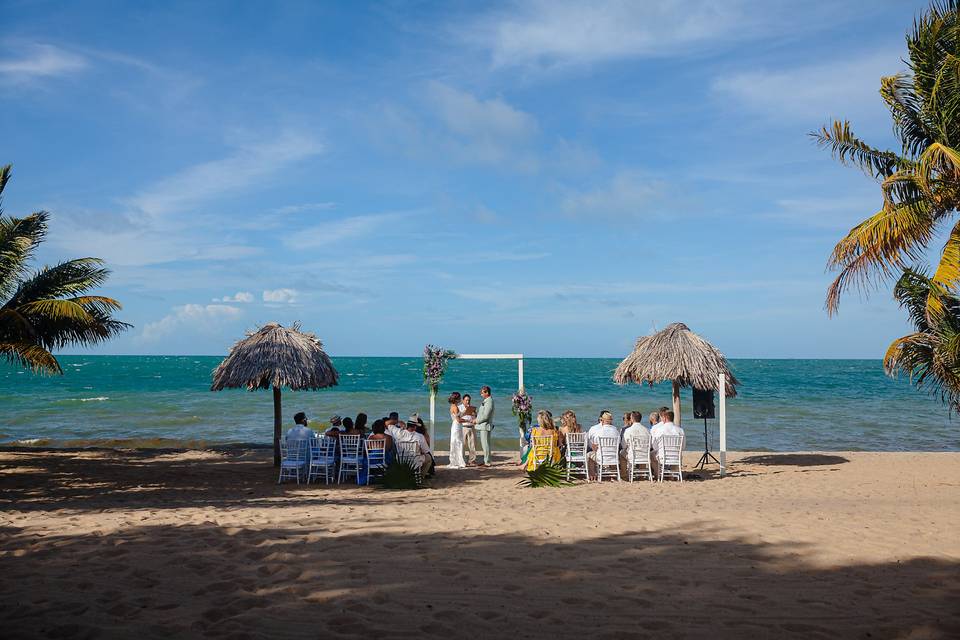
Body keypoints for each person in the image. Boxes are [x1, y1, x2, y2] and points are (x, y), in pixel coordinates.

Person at [650, 409, 684, 476]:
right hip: (676, 457)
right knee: (677, 454)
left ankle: (658, 474)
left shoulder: (659, 430)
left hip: (663, 457)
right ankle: (673, 474)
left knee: (651, 455)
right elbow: (683, 446)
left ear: (665, 418)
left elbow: (654, 446)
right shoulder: (680, 430)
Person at [587, 410, 620, 479]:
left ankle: (593, 475)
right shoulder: (616, 431)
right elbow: (619, 443)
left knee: (589, 455)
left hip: (601, 457)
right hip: (613, 457)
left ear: (602, 420)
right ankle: (613, 473)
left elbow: (594, 445)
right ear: (611, 421)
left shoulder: (599, 432)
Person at [474, 385, 495, 467]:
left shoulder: (489, 401)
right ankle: (486, 460)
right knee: (486, 444)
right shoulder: (487, 401)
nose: (481, 394)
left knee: (485, 444)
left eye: (482, 393)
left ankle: (487, 462)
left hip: (485, 426)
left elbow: (486, 416)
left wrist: (476, 420)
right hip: (484, 426)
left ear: (487, 392)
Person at [447, 392, 466, 469]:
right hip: (457, 426)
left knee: (454, 442)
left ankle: (454, 460)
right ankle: (458, 461)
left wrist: (463, 413)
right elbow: (458, 420)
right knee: (458, 442)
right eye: (460, 398)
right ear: (457, 399)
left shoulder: (452, 406)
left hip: (454, 425)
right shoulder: (456, 407)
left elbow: (456, 417)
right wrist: (467, 420)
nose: (460, 399)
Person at [460, 394, 478, 466]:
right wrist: (465, 411)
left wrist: (474, 414)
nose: (468, 402)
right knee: (463, 445)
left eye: (469, 400)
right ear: (463, 400)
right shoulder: (459, 407)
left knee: (472, 445)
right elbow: (457, 417)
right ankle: (463, 460)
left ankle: (472, 460)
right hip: (463, 427)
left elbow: (475, 417)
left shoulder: (471, 408)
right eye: (466, 400)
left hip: (471, 427)